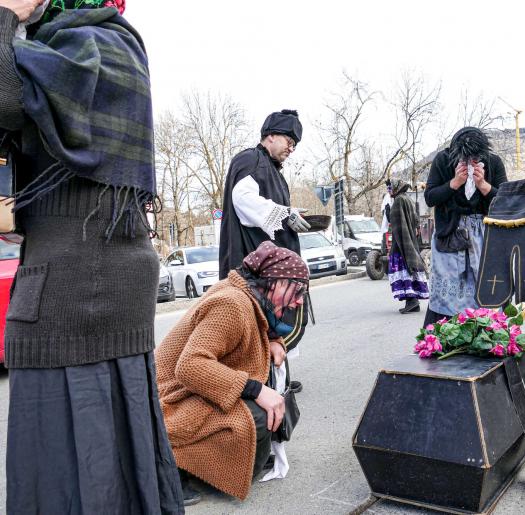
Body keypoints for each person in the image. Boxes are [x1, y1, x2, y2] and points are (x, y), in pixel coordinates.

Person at [0, 1, 184, 513]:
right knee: (118, 473)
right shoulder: (89, 47)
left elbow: (5, 95)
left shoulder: (95, 42)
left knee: (70, 480)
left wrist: (6, 14)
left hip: (72, 294)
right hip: (93, 282)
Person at [155, 241, 308, 504]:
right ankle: (172, 463)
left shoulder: (248, 294)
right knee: (257, 417)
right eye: (297, 289)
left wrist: (274, 340)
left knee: (264, 406)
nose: (299, 299)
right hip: (170, 400)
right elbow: (190, 366)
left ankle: (222, 457)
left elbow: (259, 326)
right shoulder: (231, 304)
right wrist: (256, 389)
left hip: (192, 389)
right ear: (273, 282)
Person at [423, 127, 508, 325]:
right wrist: (454, 182)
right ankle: (447, 337)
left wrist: (484, 186)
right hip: (450, 234)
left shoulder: (493, 162)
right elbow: (430, 197)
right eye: (465, 159)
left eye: (475, 159)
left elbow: (506, 202)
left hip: (484, 236)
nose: (470, 163)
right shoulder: (443, 160)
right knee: (449, 288)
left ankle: (488, 337)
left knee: (486, 288)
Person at [219, 109, 309, 279]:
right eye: (289, 142)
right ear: (271, 135)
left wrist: (291, 216)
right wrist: (285, 214)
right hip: (257, 277)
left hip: (273, 274)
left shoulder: (274, 172)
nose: (291, 149)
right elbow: (243, 199)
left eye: (294, 145)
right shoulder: (251, 159)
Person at [388, 179, 429, 313]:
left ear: (396, 187)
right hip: (408, 240)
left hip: (402, 243)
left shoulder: (399, 200)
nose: (389, 190)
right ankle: (412, 303)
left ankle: (412, 301)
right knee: (407, 270)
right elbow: (415, 221)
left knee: (405, 270)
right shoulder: (407, 198)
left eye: (390, 187)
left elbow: (400, 226)